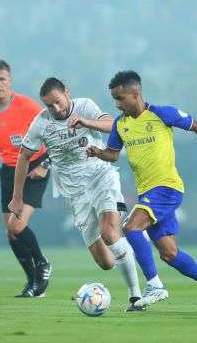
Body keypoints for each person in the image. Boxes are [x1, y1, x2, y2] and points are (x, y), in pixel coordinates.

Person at [87, 70, 197, 312]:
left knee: (130, 227)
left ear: (135, 93)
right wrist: (97, 152)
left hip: (167, 188)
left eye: (120, 98)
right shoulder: (121, 125)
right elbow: (112, 154)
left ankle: (154, 286)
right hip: (148, 194)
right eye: (114, 100)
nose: (117, 104)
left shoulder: (161, 114)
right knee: (169, 254)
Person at [8, 77, 143, 310]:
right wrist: (17, 197)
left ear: (67, 93)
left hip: (101, 176)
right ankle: (130, 247)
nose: (56, 109)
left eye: (58, 102)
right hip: (76, 194)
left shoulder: (85, 106)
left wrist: (87, 122)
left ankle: (136, 297)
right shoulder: (41, 122)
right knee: (106, 263)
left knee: (109, 233)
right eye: (50, 105)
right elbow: (23, 156)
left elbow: (114, 125)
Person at [0, 60, 51, 298]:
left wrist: (46, 164)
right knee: (10, 232)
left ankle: (43, 264)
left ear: (10, 80)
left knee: (17, 225)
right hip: (9, 170)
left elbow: (54, 133)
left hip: (35, 166)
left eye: (2, 79)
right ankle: (32, 283)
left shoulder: (28, 106)